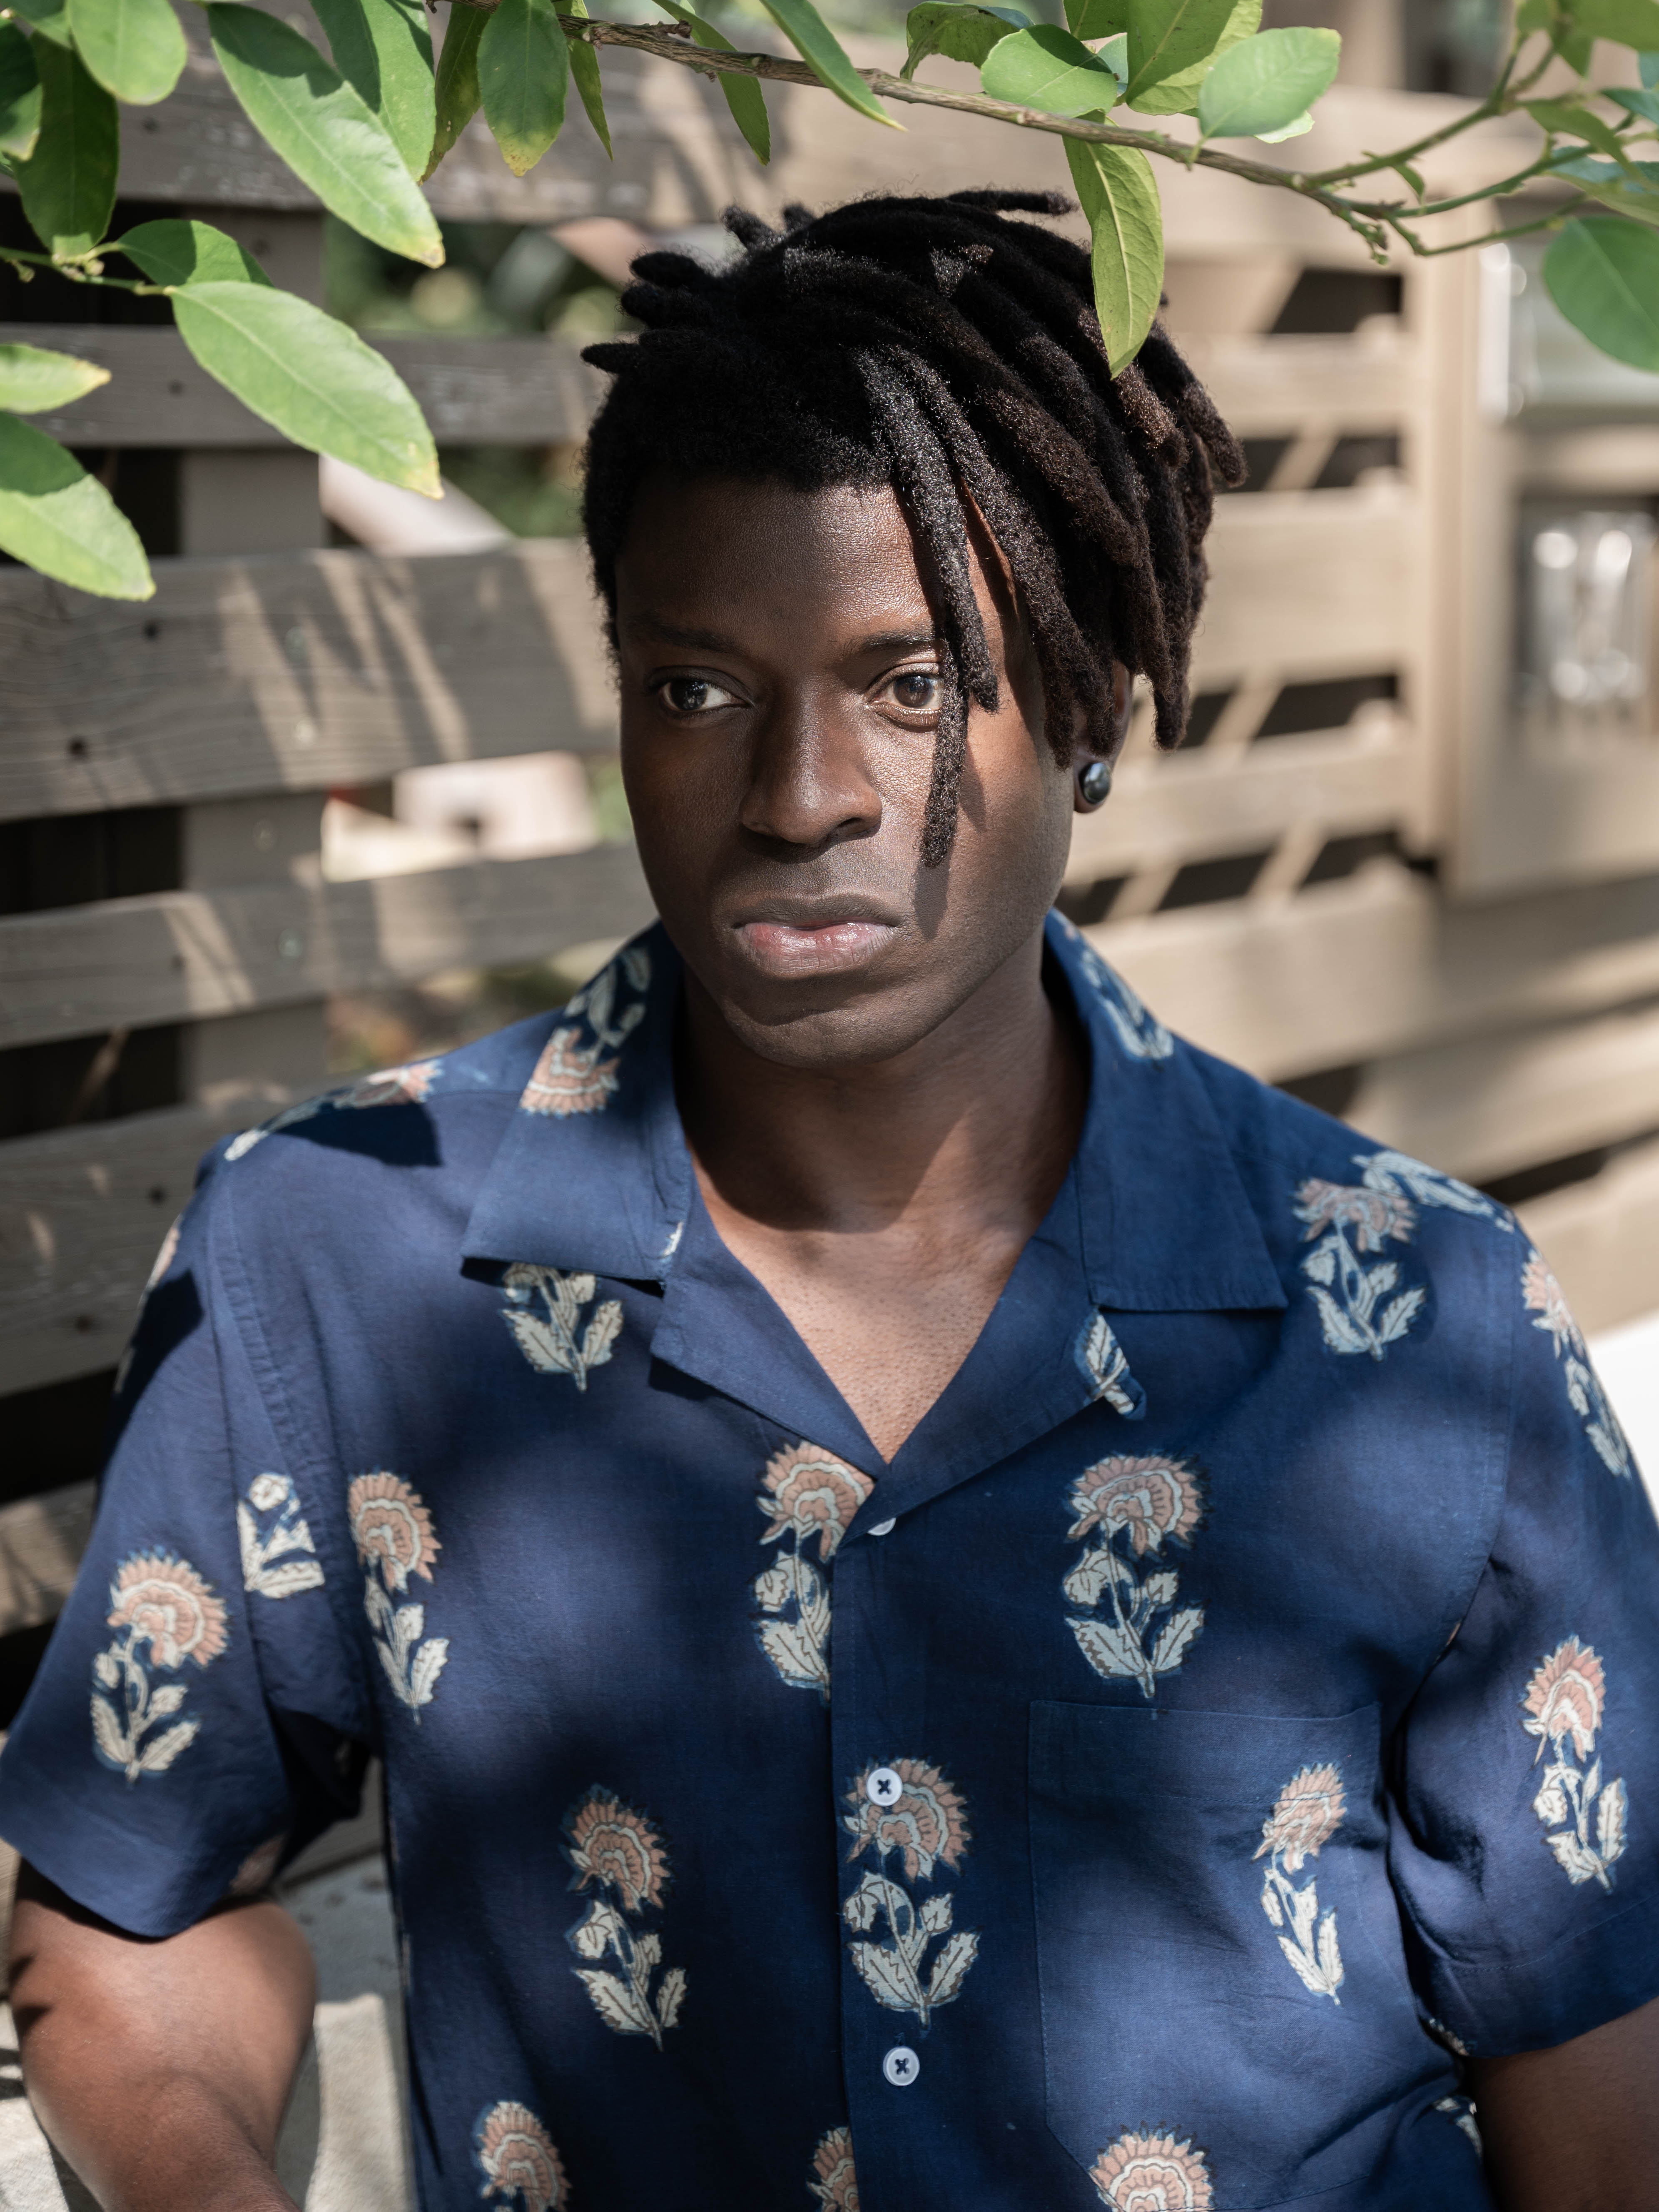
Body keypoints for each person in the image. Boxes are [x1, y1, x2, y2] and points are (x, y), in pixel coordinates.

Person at [4, 191, 1658, 2212]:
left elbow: (1602, 2068)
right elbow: (140, 1897)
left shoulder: (1424, 1314)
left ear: (1092, 704)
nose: (799, 795)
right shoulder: (336, 1254)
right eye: (699, 689)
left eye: (912, 680)